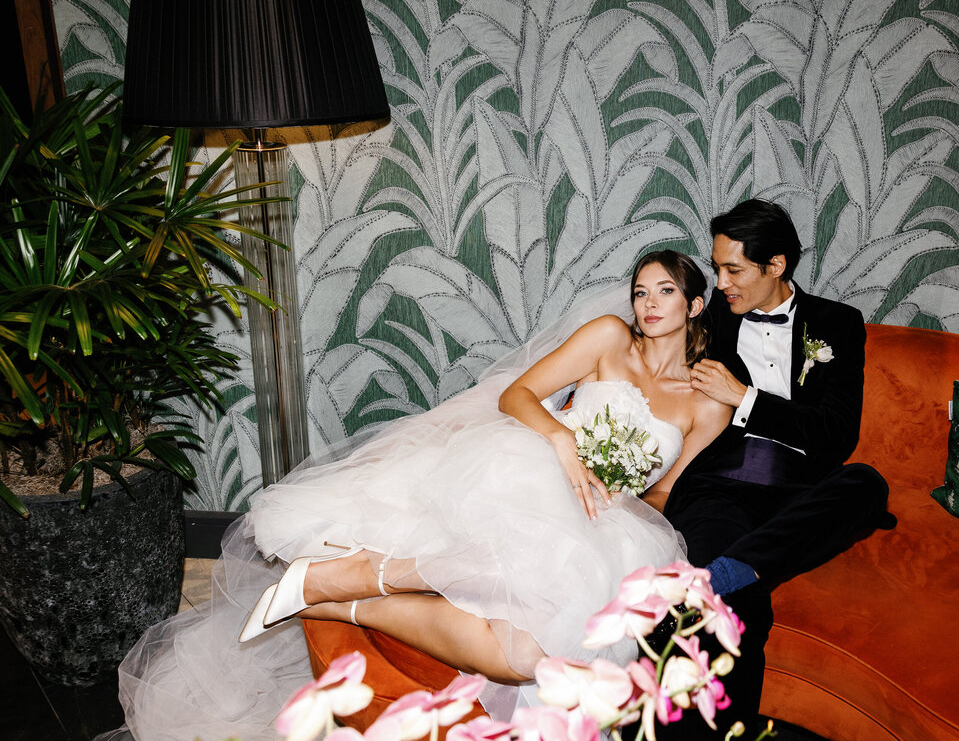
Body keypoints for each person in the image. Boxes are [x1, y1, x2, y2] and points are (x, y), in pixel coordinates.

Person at [103, 250, 731, 741]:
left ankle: (329, 600)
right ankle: (346, 574)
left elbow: (668, 494)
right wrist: (564, 441)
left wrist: (618, 506)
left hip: (609, 514)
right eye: (641, 291)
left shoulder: (705, 404)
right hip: (538, 465)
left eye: (665, 292)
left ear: (695, 304)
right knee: (495, 561)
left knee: (523, 656)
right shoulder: (607, 340)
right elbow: (516, 397)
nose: (648, 303)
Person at [643, 199, 893, 737]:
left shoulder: (838, 324)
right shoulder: (706, 319)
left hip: (802, 487)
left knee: (868, 483)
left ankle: (735, 568)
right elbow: (636, 353)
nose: (721, 282)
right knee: (736, 609)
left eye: (734, 270)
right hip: (723, 485)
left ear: (775, 265)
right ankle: (737, 576)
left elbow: (836, 435)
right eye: (717, 268)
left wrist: (746, 397)